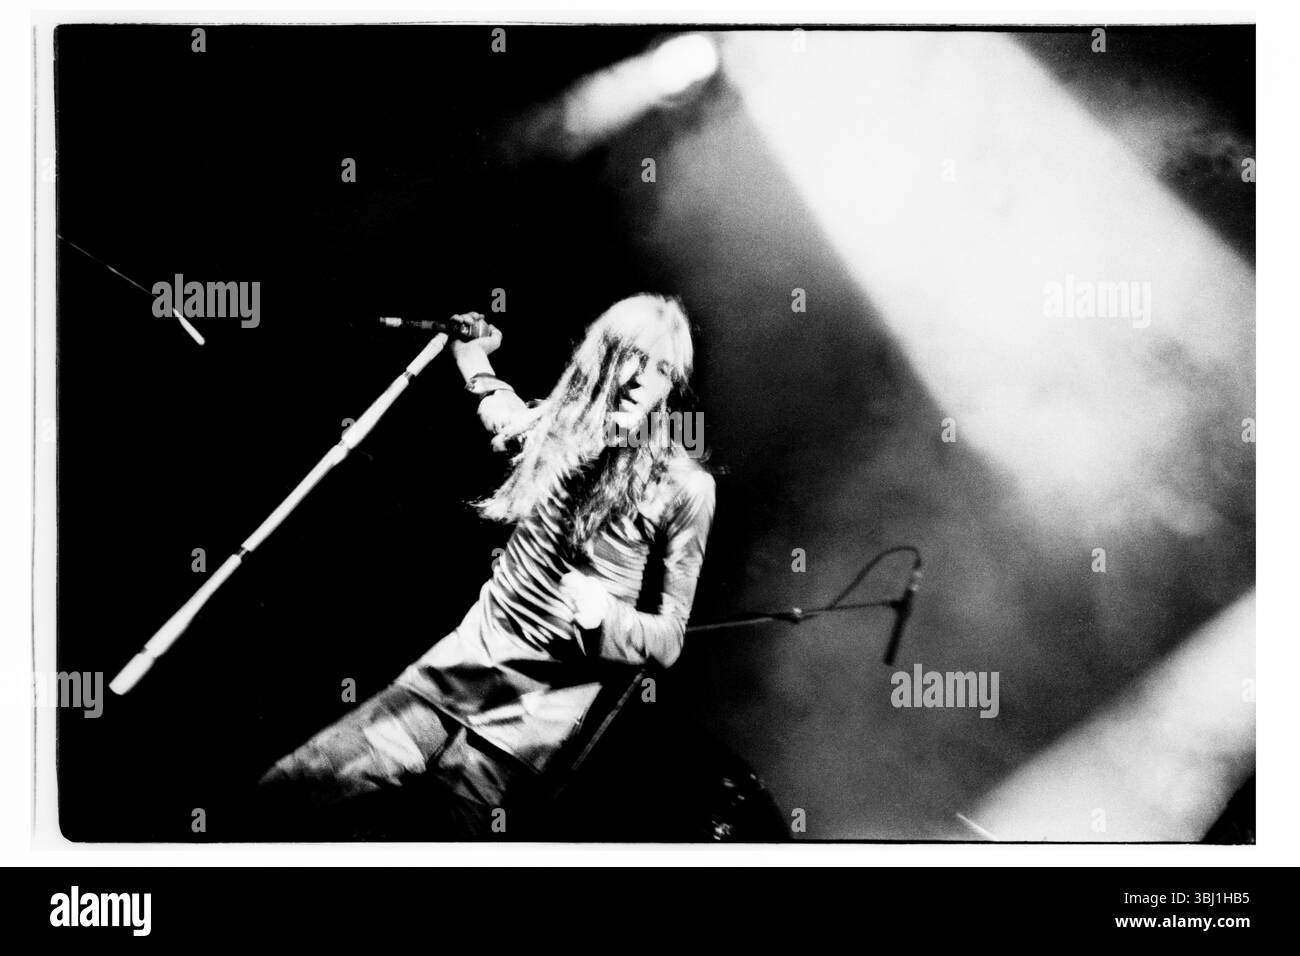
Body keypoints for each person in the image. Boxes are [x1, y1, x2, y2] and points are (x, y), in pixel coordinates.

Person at [257, 293, 716, 837]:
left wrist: (606, 617)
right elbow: (501, 411)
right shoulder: (558, 428)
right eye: (633, 357)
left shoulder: (686, 488)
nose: (642, 381)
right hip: (451, 674)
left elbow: (669, 638)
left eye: (662, 369)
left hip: (523, 728)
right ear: (602, 358)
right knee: (289, 790)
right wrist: (474, 355)